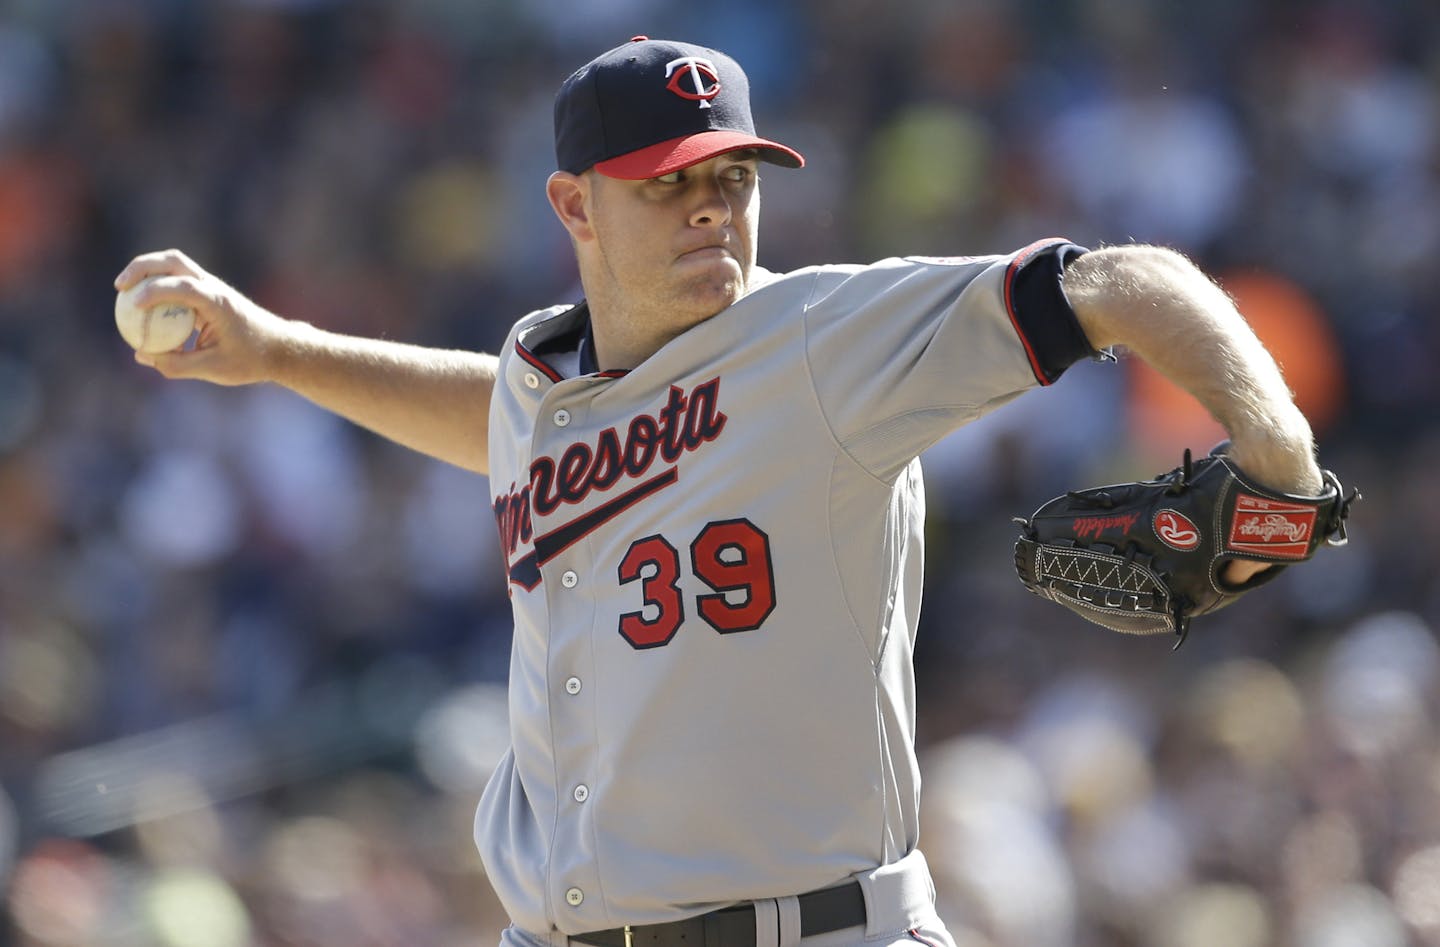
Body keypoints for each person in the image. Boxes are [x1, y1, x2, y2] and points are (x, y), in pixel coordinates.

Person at [115, 36, 1324, 947]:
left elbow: (1120, 282)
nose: (710, 208)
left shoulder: (815, 343)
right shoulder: (543, 384)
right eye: (665, 184)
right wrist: (278, 350)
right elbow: (495, 414)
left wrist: (1279, 467)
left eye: (732, 179)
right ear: (573, 204)